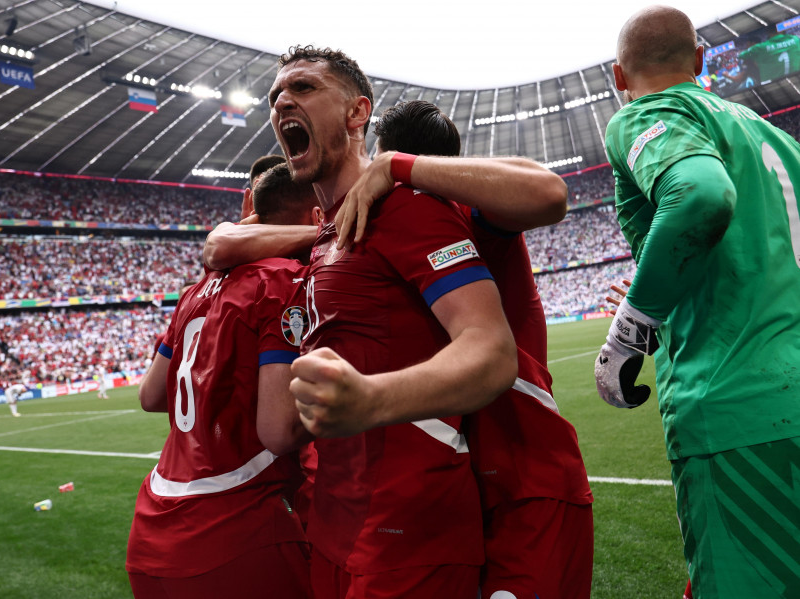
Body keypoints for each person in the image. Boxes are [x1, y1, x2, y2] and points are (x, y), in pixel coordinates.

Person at [269, 45, 517, 599]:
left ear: (358, 113)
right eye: (276, 95)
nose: (283, 99)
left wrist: (372, 399)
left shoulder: (407, 207)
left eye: (304, 88)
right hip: (333, 531)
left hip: (411, 541)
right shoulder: (327, 237)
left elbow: (491, 349)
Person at [340, 99, 593, 599]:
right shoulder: (406, 224)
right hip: (460, 484)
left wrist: (396, 166)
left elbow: (548, 190)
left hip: (525, 476)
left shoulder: (455, 211)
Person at [597, 6, 800, 597]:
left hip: (742, 409)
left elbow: (700, 196)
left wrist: (633, 325)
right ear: (701, 60)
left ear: (618, 78)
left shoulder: (648, 113)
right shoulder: (777, 139)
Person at [125, 163, 320, 598]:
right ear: (317, 217)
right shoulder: (285, 281)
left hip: (152, 529)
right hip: (236, 527)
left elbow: (151, 395)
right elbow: (277, 430)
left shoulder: (198, 289)